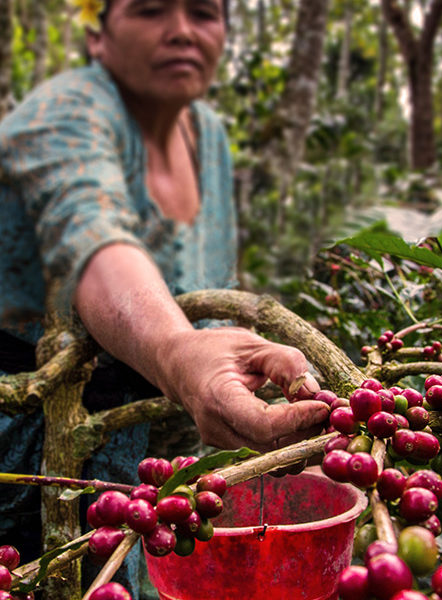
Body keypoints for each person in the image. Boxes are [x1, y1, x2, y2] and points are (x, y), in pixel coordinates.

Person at [0, 0, 330, 595]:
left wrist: (218, 376)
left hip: (149, 463)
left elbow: (197, 287)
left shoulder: (208, 137)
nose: (181, 31)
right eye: (150, 10)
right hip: (32, 457)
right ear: (98, 36)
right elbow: (93, 244)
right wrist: (178, 350)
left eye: (204, 13)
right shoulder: (61, 116)